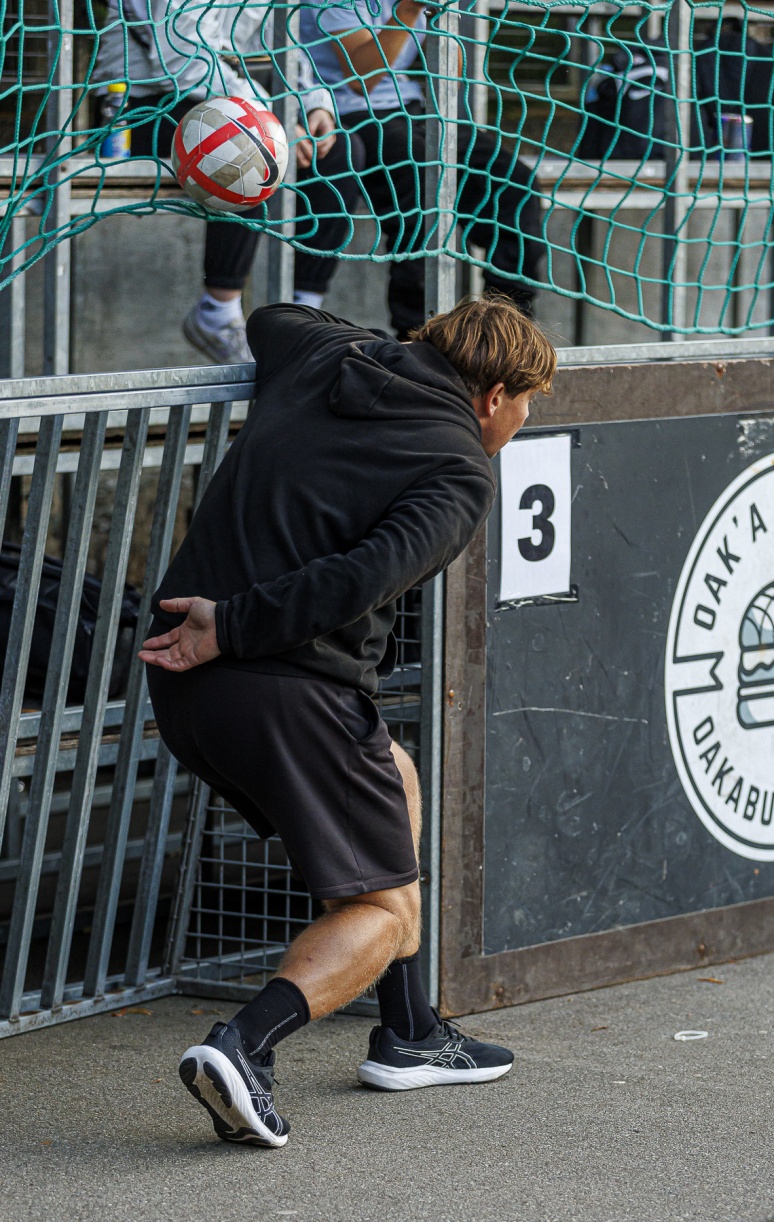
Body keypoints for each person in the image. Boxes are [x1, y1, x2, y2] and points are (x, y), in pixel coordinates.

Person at [140, 295, 557, 1147]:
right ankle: (243, 1046)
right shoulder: (460, 469)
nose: (522, 421)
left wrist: (378, 347)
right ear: (494, 396)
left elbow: (272, 316)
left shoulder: (320, 355)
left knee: (395, 775)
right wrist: (236, 626)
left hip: (184, 680)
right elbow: (359, 579)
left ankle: (409, 1032)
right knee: (385, 912)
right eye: (527, 403)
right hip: (277, 683)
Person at [92, 0, 360, 363]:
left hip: (236, 101)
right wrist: (274, 118)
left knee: (342, 150)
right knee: (249, 145)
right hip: (142, 104)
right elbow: (179, 60)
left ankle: (304, 317)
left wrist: (313, 104)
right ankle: (217, 312)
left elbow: (283, 49)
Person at [300, 0, 546, 338]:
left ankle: (506, 328)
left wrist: (442, 14)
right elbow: (362, 79)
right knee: (421, 187)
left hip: (412, 108)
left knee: (514, 183)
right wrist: (409, 9)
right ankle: (417, 335)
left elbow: (450, 79)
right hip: (344, 113)